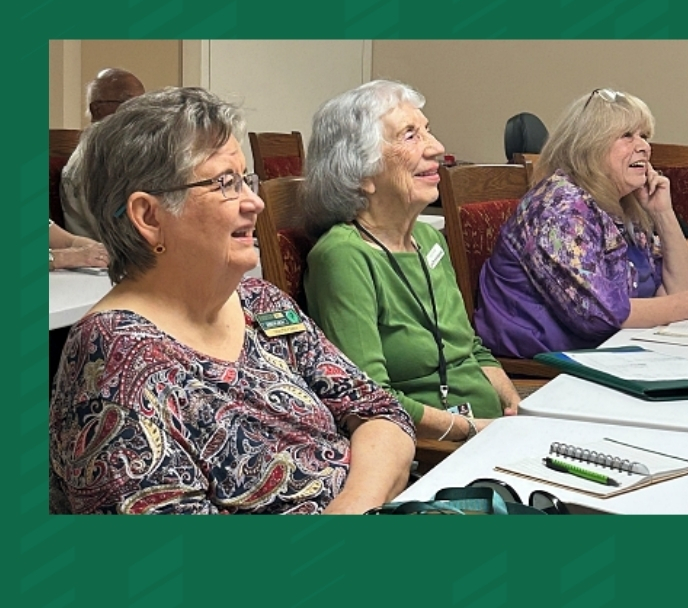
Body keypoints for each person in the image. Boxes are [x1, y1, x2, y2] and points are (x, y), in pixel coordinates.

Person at [49, 86, 416, 514]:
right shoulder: (116, 361)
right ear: (149, 216)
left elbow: (381, 411)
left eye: (246, 179)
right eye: (225, 183)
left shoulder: (258, 302)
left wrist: (354, 506)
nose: (255, 202)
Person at [302, 80, 522, 445]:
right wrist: (476, 430)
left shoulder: (430, 239)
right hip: (431, 448)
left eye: (427, 131)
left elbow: (472, 349)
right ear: (361, 173)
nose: (436, 148)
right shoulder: (343, 257)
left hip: (492, 431)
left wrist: (517, 408)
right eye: (410, 136)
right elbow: (370, 400)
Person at [474, 88, 688, 358]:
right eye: (627, 136)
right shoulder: (561, 207)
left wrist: (663, 213)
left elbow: (678, 292)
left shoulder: (622, 205)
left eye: (644, 136)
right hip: (551, 359)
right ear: (588, 146)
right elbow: (600, 315)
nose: (644, 146)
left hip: (610, 347)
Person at [59, 68, 146, 238]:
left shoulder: (122, 152)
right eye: (129, 103)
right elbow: (122, 234)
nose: (140, 113)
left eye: (143, 103)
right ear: (97, 109)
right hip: (107, 257)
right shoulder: (99, 156)